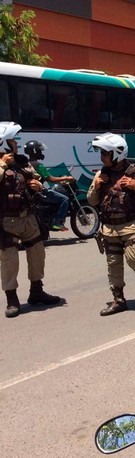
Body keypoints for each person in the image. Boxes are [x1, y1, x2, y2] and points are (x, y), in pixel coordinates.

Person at [87, 132, 135, 316]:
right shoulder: (102, 174)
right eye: (101, 153)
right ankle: (119, 300)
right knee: (113, 264)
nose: (101, 157)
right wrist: (97, 186)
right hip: (108, 227)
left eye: (105, 153)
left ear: (117, 153)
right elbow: (92, 201)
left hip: (130, 224)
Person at [0, 122, 61, 317]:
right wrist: (2, 164)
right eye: (12, 142)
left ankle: (37, 291)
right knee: (9, 261)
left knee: (37, 254)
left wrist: (38, 186)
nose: (16, 145)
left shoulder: (22, 161)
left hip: (29, 217)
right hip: (7, 221)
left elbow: (37, 180)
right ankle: (12, 299)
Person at [24, 140, 75, 231]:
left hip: (32, 192)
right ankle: (58, 222)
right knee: (65, 199)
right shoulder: (38, 165)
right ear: (35, 152)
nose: (41, 152)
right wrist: (66, 178)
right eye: (39, 150)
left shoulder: (26, 164)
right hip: (40, 192)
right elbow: (51, 179)